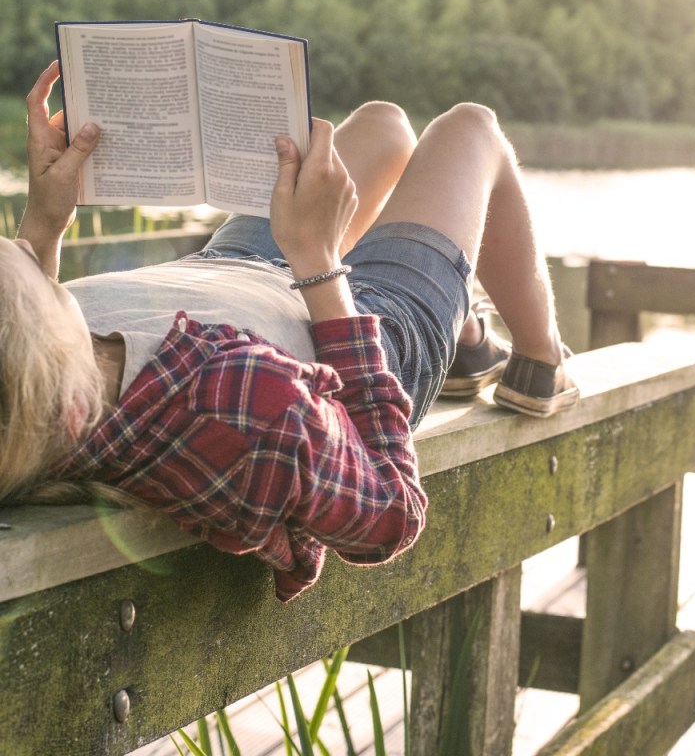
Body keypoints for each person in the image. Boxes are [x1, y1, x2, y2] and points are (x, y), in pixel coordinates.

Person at [0, 61, 577, 601]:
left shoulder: (44, 401)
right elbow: (392, 514)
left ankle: (469, 335)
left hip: (231, 273)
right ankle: (537, 359)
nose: (23, 251)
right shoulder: (236, 404)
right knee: (470, 129)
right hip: (352, 320)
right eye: (31, 271)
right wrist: (318, 261)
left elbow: (32, 360)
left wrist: (46, 223)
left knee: (384, 126)